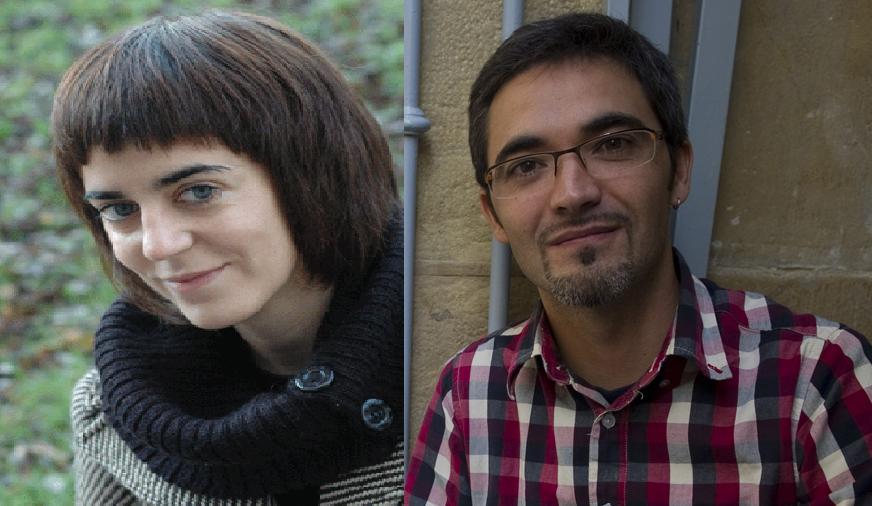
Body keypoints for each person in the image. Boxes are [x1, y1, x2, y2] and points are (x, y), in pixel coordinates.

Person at [406, 12, 872, 505]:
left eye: (612, 145)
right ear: (493, 215)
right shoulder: (468, 394)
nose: (573, 193)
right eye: (526, 166)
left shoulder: (817, 380)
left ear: (679, 171)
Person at [53, 11, 402, 505]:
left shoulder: (474, 376)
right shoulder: (111, 412)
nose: (157, 245)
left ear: (314, 172)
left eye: (199, 192)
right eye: (120, 210)